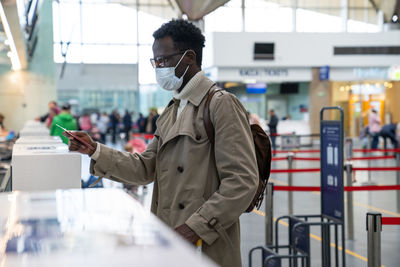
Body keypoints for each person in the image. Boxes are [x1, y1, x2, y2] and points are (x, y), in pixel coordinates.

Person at [66, 19, 258, 267]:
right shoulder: (172, 110)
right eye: (155, 62)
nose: (158, 68)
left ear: (188, 57)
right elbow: (145, 168)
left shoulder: (220, 104)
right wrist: (95, 150)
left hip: (204, 244)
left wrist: (194, 229)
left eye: (163, 60)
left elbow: (242, 182)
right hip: (169, 239)